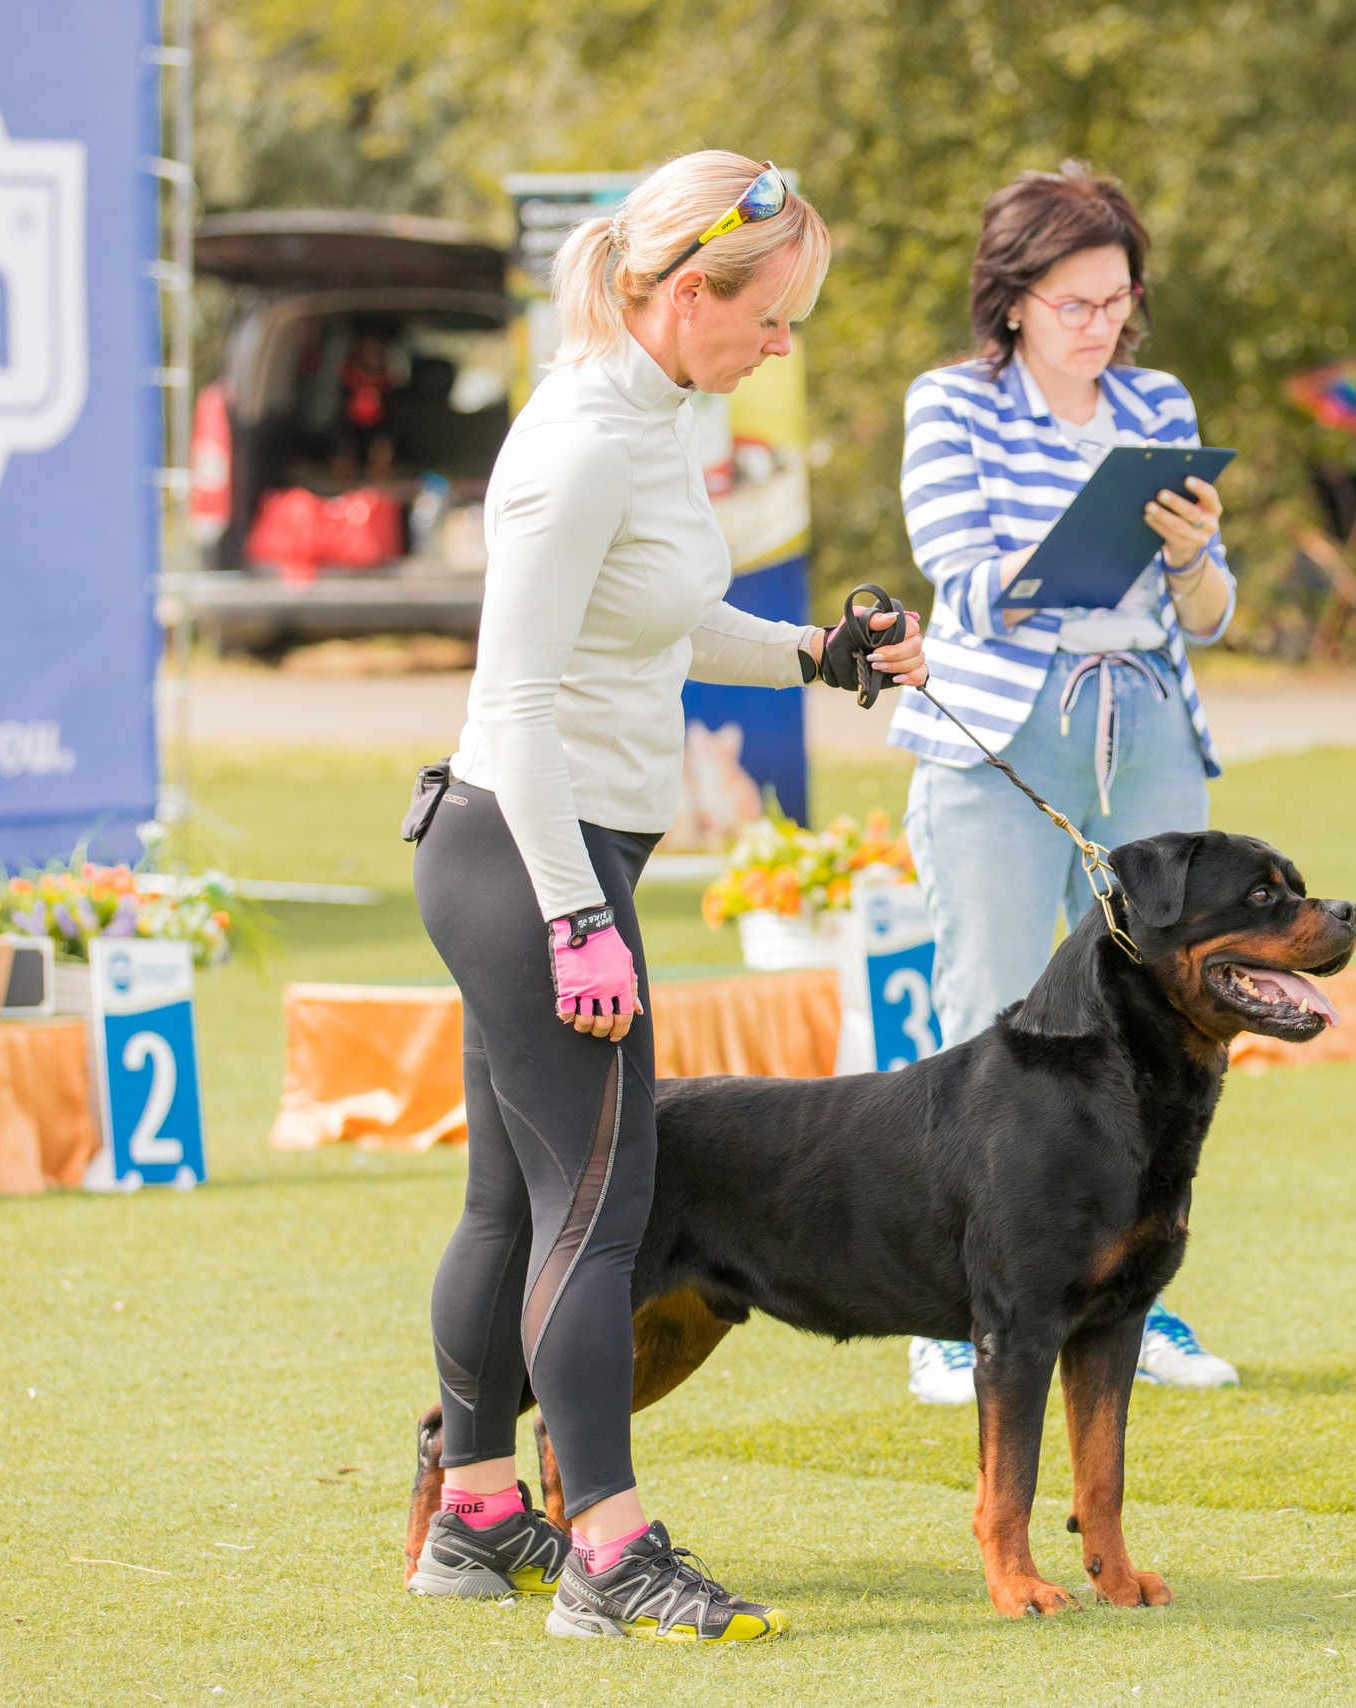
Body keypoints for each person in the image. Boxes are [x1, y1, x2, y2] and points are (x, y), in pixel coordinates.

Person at [407, 152, 926, 1642]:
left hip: (542, 850)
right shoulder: (580, 440)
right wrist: (578, 921)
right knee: (603, 1208)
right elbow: (513, 704)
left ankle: (477, 1515)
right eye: (771, 318)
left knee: (515, 1204)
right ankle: (608, 1555)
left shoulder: (650, 416)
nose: (784, 345)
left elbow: (675, 622)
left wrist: (819, 654)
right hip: (527, 850)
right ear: (687, 293)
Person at [885, 162, 1241, 1406]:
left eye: (1117, 301)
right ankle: (955, 1316)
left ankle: (1137, 1299)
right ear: (1016, 299)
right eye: (1077, 303)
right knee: (991, 1017)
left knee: (1167, 1015)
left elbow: (1210, 604)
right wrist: (1083, 553)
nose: (1102, 327)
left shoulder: (1157, 399)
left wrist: (1192, 557)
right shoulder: (954, 403)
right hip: (1001, 726)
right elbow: (959, 578)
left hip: (1145, 716)